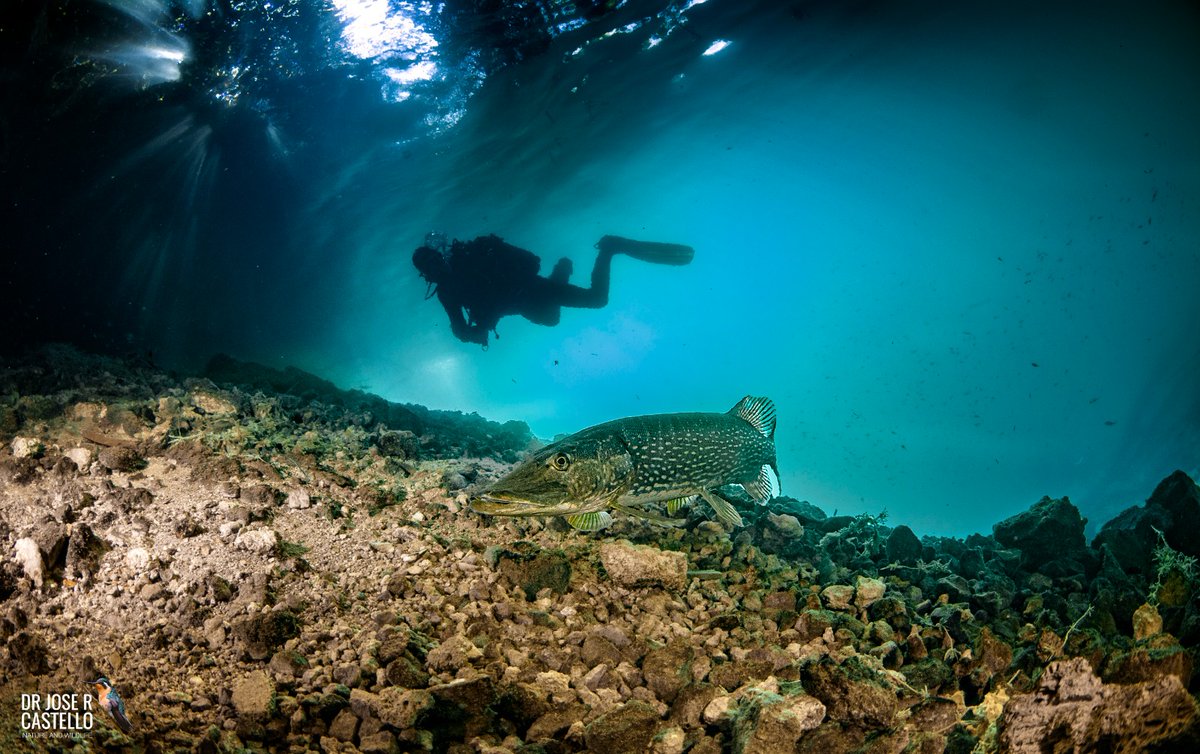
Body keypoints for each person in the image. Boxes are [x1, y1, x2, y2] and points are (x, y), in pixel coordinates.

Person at [413, 232, 694, 347]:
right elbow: (460, 328)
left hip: (534, 290)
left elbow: (530, 262)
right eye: (430, 268)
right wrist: (477, 332)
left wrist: (482, 325)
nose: (436, 269)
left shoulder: (471, 260)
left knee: (596, 299)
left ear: (439, 257)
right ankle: (563, 270)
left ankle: (609, 248)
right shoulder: (447, 292)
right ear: (426, 274)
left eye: (434, 261)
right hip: (523, 303)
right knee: (551, 319)